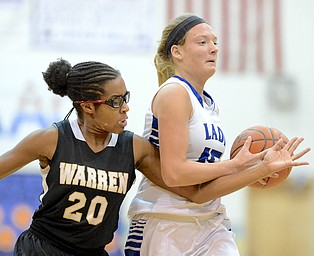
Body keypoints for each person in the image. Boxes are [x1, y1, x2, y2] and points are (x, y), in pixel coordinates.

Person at [124, 14, 311, 256]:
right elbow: (174, 173)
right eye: (202, 42)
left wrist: (260, 169)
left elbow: (204, 190)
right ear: (177, 52)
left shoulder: (209, 105)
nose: (214, 48)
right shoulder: (174, 93)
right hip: (164, 222)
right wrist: (234, 166)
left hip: (209, 221)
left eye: (215, 42)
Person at [0, 58, 210, 256]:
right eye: (115, 102)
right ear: (88, 106)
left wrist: (237, 168)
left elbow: (193, 191)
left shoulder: (134, 148)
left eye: (125, 98)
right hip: (44, 248)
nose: (125, 108)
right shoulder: (51, 139)